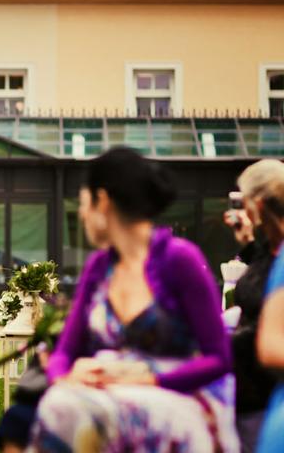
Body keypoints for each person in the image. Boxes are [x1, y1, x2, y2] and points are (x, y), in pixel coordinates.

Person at [29, 147, 238, 452]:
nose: (83, 215)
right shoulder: (99, 267)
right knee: (58, 404)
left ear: (103, 201)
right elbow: (65, 352)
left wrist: (152, 379)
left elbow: (219, 359)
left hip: (175, 396)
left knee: (66, 410)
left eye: (84, 203)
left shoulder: (180, 259)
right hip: (107, 394)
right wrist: (64, 376)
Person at [223, 160, 282, 452]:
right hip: (250, 390)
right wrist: (247, 243)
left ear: (257, 204)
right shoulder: (271, 248)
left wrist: (224, 342)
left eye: (244, 200)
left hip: (266, 392)